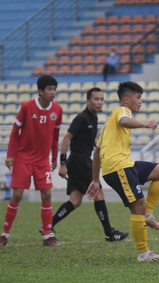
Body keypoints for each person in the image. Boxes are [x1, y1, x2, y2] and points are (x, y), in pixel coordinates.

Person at [86, 81, 159, 262]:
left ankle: (148, 214)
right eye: (138, 97)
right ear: (126, 99)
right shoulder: (122, 111)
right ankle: (144, 254)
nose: (140, 101)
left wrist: (95, 180)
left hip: (125, 164)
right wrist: (145, 124)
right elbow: (124, 121)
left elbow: (97, 152)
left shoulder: (108, 123)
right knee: (137, 207)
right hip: (118, 167)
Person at [48, 88, 128, 242]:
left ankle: (48, 226)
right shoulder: (82, 118)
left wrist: (100, 146)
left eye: (102, 99)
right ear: (88, 101)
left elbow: (89, 139)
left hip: (80, 161)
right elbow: (66, 139)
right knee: (98, 193)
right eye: (96, 99)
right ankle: (109, 233)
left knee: (75, 200)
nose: (99, 102)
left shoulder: (93, 118)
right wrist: (62, 163)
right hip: (79, 161)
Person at [0, 75, 63, 247]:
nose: (53, 92)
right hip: (22, 158)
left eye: (54, 89)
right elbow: (15, 131)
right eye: (49, 89)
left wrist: (54, 158)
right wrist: (10, 155)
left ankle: (47, 236)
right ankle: (4, 235)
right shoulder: (27, 106)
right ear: (40, 91)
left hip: (42, 160)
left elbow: (55, 138)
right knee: (17, 195)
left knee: (46, 194)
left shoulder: (58, 110)